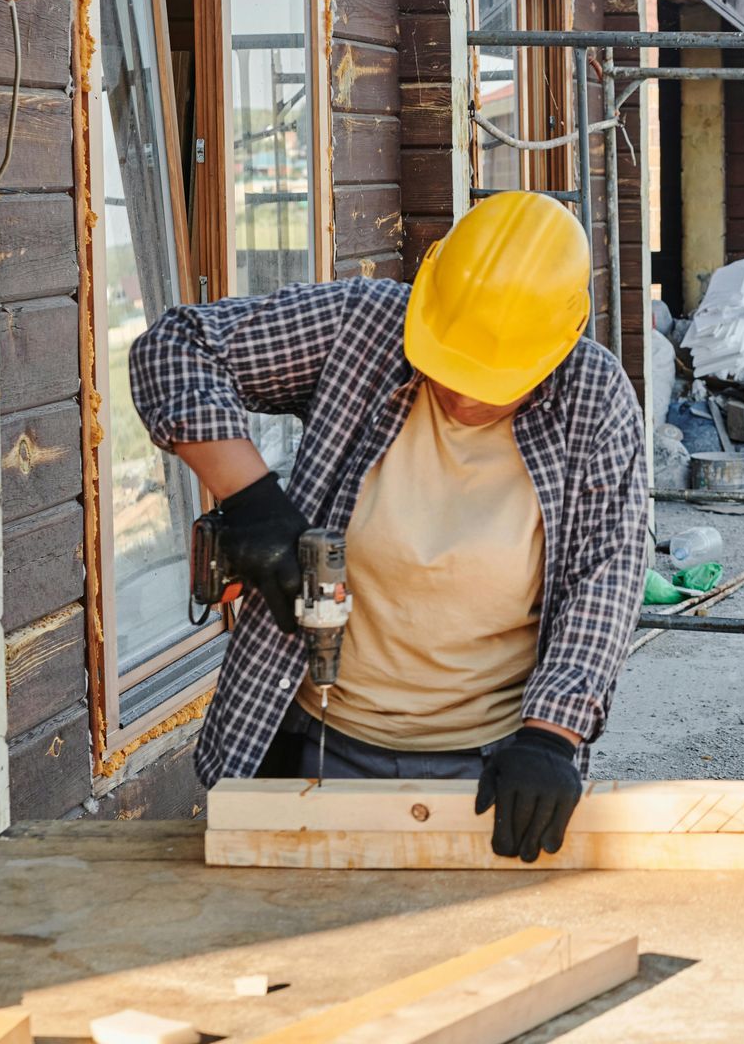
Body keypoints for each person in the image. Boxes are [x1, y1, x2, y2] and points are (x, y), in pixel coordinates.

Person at [130, 192, 647, 862]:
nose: (463, 393)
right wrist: (256, 502)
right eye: (450, 363)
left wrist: (551, 738)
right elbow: (174, 348)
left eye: (494, 380)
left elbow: (605, 576)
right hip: (313, 737)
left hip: (492, 765)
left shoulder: (595, 398)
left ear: (560, 343)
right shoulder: (362, 325)